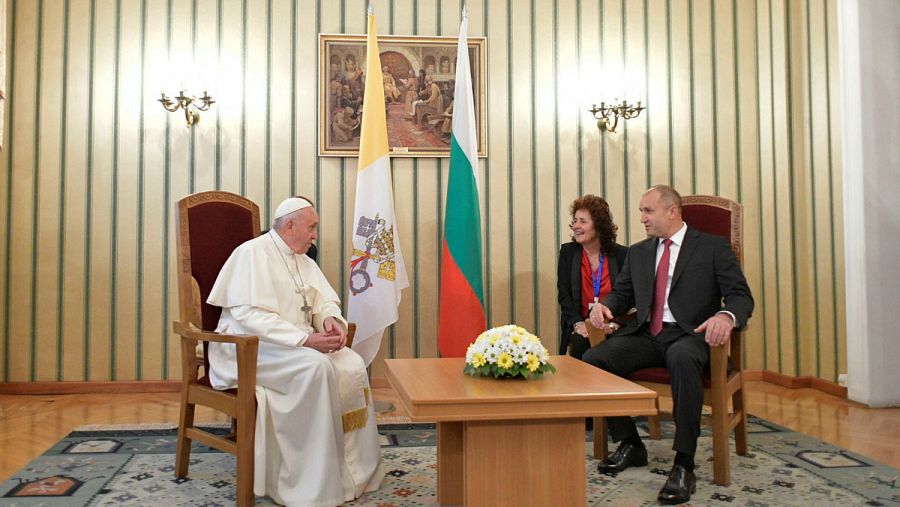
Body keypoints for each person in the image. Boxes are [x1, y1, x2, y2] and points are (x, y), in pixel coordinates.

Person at [207, 196, 383, 507]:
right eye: (311, 227)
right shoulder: (250, 254)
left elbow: (324, 301)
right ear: (290, 225)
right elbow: (249, 317)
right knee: (315, 369)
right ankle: (305, 482)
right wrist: (305, 341)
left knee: (351, 362)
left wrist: (329, 319)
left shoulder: (303, 261)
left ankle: (353, 473)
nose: (315, 235)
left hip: (293, 345)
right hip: (250, 348)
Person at [585, 185, 753, 505]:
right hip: (649, 334)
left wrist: (726, 316)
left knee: (682, 356)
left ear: (672, 211)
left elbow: (740, 297)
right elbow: (623, 295)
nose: (642, 218)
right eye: (641, 211)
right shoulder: (640, 252)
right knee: (594, 358)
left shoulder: (712, 248)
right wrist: (604, 305)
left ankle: (684, 463)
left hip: (692, 335)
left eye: (648, 211)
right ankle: (631, 444)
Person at [556, 195, 628, 360]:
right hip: (582, 326)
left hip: (613, 326)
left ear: (599, 225)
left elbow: (628, 297)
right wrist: (578, 324)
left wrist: (614, 324)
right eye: (575, 221)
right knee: (580, 343)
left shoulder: (622, 255)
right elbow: (564, 295)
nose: (576, 226)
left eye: (583, 221)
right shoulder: (568, 253)